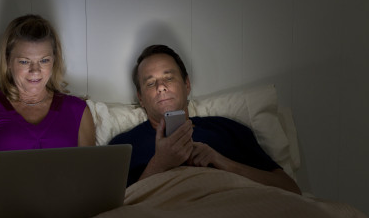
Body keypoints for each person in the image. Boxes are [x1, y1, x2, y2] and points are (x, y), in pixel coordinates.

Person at [109, 44, 301, 194]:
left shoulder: (228, 130)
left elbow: (290, 189)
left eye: (168, 78)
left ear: (187, 85)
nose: (161, 87)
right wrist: (160, 163)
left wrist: (221, 161)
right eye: (151, 83)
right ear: (140, 97)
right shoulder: (123, 147)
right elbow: (113, 213)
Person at [0, 14, 96, 204]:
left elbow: (91, 183)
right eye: (24, 61)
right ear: (8, 62)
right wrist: (1, 193)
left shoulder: (78, 110)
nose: (35, 71)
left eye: (44, 60)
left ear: (54, 61)